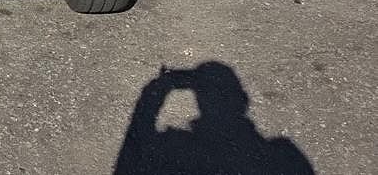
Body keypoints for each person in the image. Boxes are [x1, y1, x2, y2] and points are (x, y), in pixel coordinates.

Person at [114, 62, 314, 175]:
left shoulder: (169, 146)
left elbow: (134, 139)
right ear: (243, 99)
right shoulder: (284, 154)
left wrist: (159, 86)